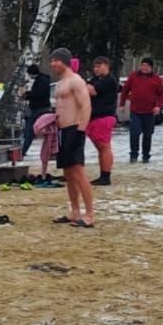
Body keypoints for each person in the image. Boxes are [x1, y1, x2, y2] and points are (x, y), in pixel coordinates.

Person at [49, 48, 95, 228]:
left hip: (74, 129)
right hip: (61, 131)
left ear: (65, 61)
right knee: (68, 174)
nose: (53, 64)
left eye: (56, 60)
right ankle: (75, 211)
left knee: (78, 173)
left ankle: (90, 214)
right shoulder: (61, 83)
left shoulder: (76, 81)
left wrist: (80, 131)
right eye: (51, 60)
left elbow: (86, 106)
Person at [119, 57, 163, 164]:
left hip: (150, 112)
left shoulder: (156, 79)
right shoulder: (133, 76)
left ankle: (146, 156)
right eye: (143, 65)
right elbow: (125, 90)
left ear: (151, 67)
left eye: (147, 66)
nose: (144, 68)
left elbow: (161, 94)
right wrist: (122, 104)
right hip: (135, 111)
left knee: (147, 134)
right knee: (134, 133)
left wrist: (158, 106)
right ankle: (133, 155)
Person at [86, 57, 120, 187]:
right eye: (95, 67)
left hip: (103, 117)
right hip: (96, 117)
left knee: (104, 146)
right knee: (101, 147)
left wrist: (86, 86)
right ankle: (103, 174)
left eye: (99, 66)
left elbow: (91, 91)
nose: (96, 69)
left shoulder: (109, 80)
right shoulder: (97, 80)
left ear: (107, 66)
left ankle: (106, 176)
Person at [20, 63, 53, 158]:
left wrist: (27, 95)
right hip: (43, 108)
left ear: (32, 73)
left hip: (38, 109)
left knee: (29, 131)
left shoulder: (40, 81)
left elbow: (38, 94)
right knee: (47, 132)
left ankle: (23, 151)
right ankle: (50, 151)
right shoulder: (43, 80)